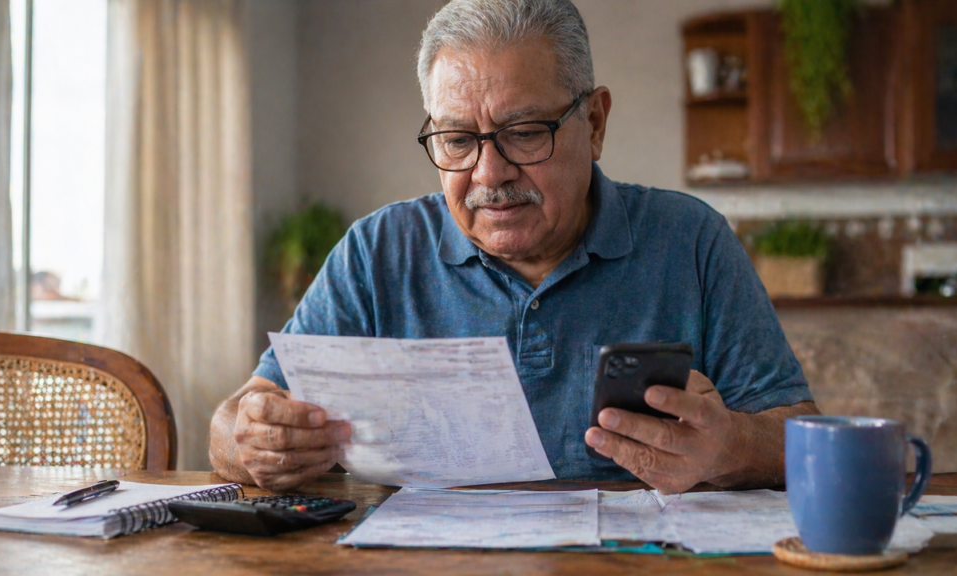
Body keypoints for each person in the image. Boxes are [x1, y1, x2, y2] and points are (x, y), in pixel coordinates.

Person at [209, 0, 819, 494]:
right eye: (456, 140)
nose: (489, 173)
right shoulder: (377, 252)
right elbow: (233, 424)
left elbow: (802, 436)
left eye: (524, 133)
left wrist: (728, 447)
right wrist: (254, 440)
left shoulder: (690, 240)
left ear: (595, 123)